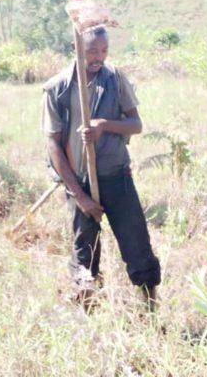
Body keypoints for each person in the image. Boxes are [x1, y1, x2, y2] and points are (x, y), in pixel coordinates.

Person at [41, 26, 161, 308]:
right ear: (75, 47)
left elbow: (136, 124)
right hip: (79, 183)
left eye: (104, 51)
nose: (99, 57)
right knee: (84, 255)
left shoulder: (116, 79)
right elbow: (53, 146)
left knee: (137, 247)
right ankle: (88, 313)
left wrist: (104, 126)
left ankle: (150, 309)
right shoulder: (57, 88)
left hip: (117, 178)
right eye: (92, 51)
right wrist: (80, 197)